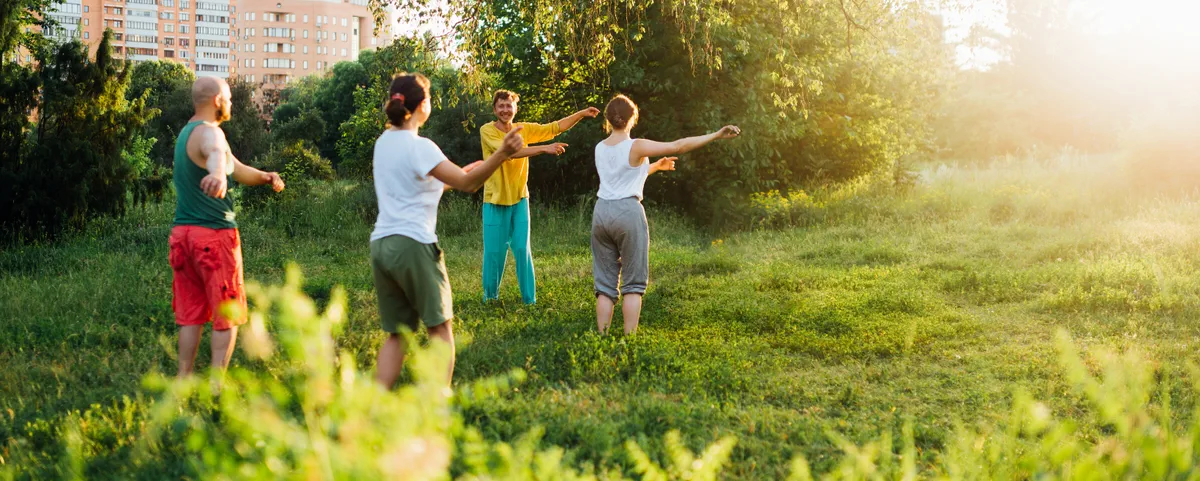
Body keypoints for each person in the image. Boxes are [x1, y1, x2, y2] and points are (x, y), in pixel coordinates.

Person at [372, 74, 526, 388]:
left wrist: (456, 176)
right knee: (440, 329)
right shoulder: (421, 146)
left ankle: (374, 401)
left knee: (398, 334)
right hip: (414, 244)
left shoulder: (383, 142)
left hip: (382, 245)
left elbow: (416, 186)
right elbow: (469, 185)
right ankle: (437, 403)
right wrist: (502, 153)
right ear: (422, 106)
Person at [591, 94, 740, 334]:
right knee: (633, 284)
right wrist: (715, 135)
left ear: (608, 119)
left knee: (605, 285)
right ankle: (628, 340)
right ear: (633, 118)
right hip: (627, 212)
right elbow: (678, 146)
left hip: (601, 212)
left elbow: (620, 175)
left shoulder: (600, 147)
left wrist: (654, 167)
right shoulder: (636, 145)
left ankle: (601, 337)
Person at [169, 77, 285, 378]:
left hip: (183, 237)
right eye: (229, 98)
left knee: (191, 315)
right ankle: (216, 386)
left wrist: (267, 176)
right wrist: (219, 175)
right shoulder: (211, 133)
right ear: (217, 100)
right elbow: (217, 157)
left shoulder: (187, 133)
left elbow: (238, 168)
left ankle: (183, 379)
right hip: (213, 237)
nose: (231, 103)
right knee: (227, 313)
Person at [479, 90, 600, 304]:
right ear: (494, 110)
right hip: (495, 200)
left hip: (519, 199)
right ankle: (490, 298)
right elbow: (508, 152)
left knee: (521, 248)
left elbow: (554, 128)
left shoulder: (524, 129)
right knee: (494, 253)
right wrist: (544, 149)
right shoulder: (487, 130)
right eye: (501, 106)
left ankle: (529, 300)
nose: (505, 110)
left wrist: (581, 114)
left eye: (509, 106)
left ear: (515, 109)